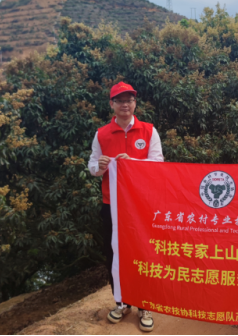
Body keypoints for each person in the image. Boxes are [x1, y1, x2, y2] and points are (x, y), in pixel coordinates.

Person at [88, 82, 164, 333]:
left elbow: (158, 164)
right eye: (120, 100)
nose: (125, 104)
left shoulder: (149, 131)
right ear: (112, 104)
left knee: (143, 252)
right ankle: (121, 302)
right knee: (114, 253)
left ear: (135, 103)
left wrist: (132, 164)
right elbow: (92, 167)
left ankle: (145, 305)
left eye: (129, 100)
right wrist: (99, 167)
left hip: (141, 205)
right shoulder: (102, 134)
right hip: (112, 204)